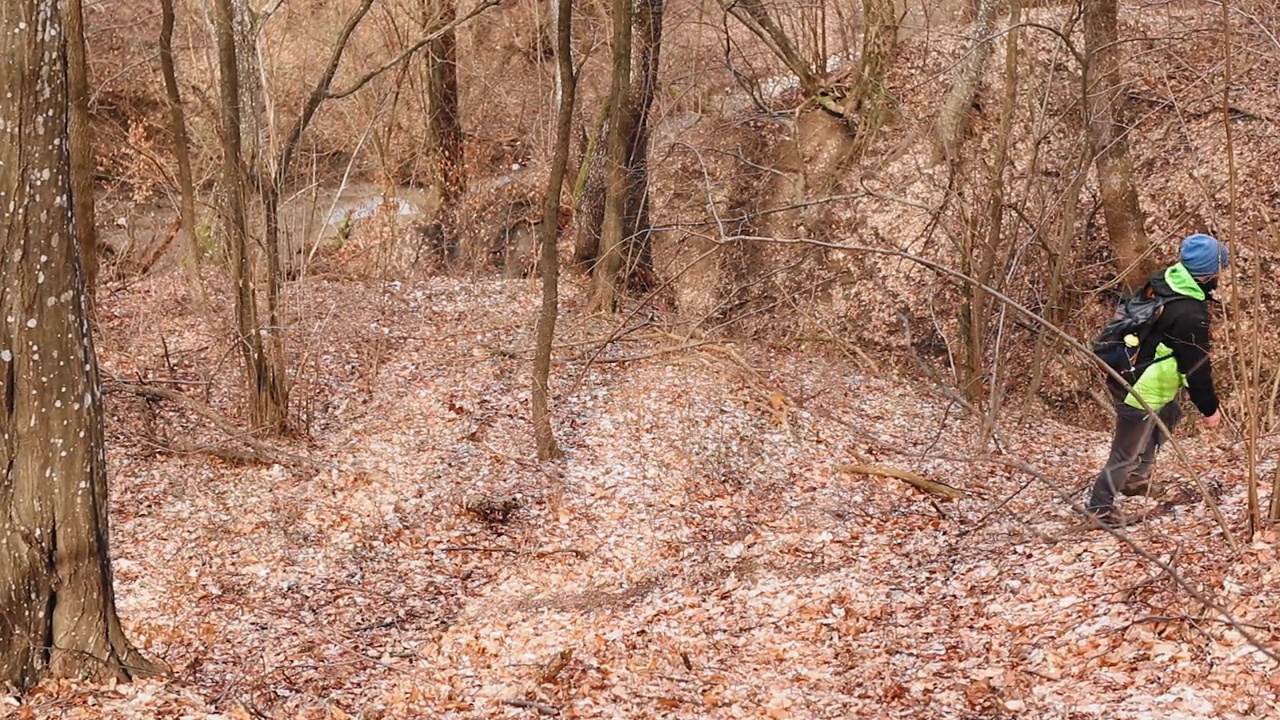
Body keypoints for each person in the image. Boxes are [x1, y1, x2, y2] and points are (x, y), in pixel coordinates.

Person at [1085, 233, 1227, 527]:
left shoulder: (1165, 279)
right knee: (1126, 450)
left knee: (1170, 414)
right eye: (1218, 270)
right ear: (1207, 273)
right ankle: (1099, 508)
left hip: (1128, 368)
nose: (1220, 276)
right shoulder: (1188, 313)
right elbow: (1196, 368)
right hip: (1139, 387)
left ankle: (1137, 479)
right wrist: (1210, 410)